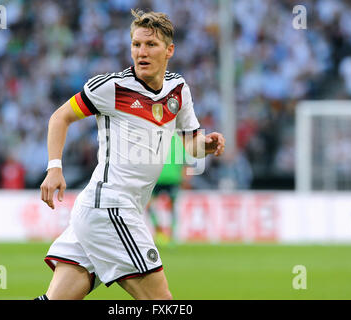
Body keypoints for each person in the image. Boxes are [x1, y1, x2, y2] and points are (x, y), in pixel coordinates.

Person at [37, 9, 225, 300]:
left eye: (151, 45)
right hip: (110, 208)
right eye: (136, 44)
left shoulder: (178, 90)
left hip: (111, 210)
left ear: (169, 50)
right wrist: (54, 168)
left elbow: (189, 144)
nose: (142, 52)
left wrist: (206, 145)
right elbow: (59, 117)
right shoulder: (111, 88)